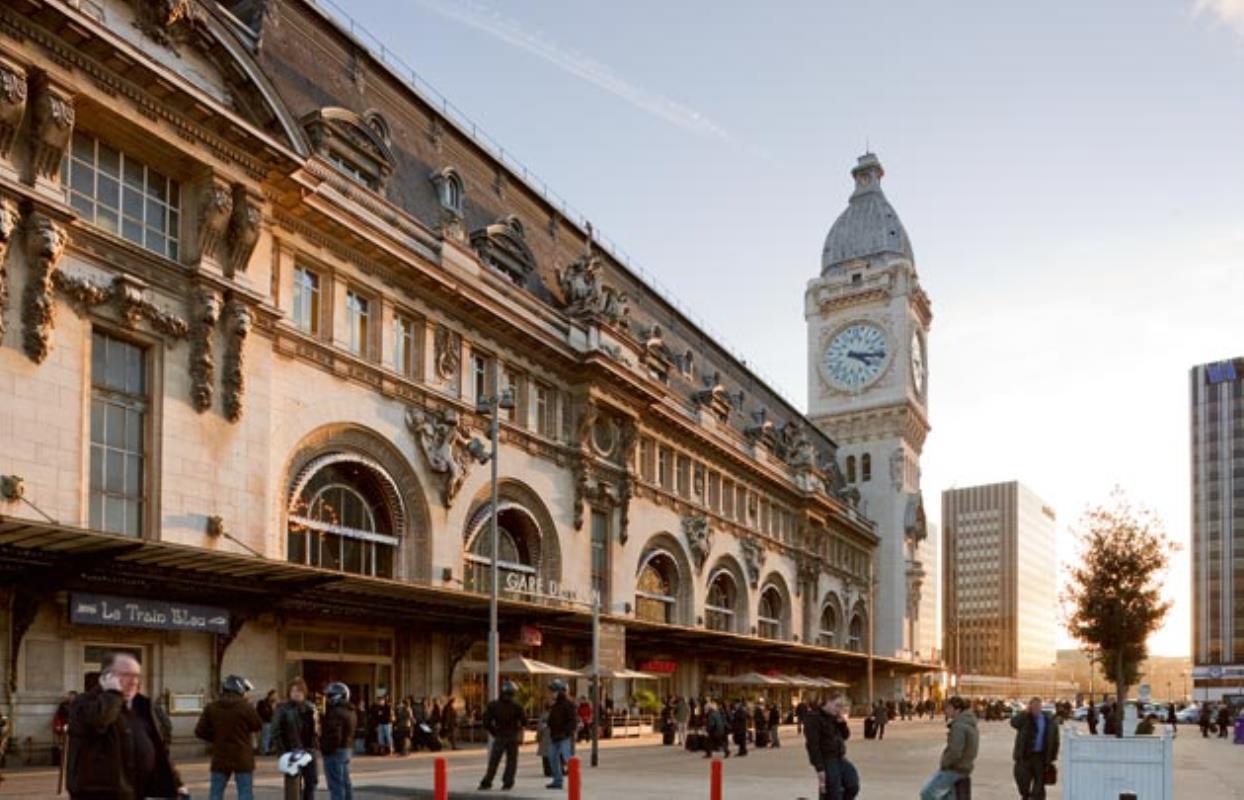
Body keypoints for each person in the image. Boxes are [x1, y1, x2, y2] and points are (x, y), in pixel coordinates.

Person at [67, 652, 186, 800]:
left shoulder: (142, 706)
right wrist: (112, 693)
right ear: (107, 678)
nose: (133, 682)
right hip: (98, 794)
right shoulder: (85, 703)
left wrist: (176, 783)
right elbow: (99, 720)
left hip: (137, 793)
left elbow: (159, 749)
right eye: (126, 675)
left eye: (137, 676)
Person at [195, 674, 263, 800]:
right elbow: (257, 725)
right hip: (242, 756)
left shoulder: (212, 707)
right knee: (245, 793)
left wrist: (216, 737)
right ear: (240, 690)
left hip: (220, 756)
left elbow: (199, 731)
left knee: (215, 793)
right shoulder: (246, 707)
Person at [919, 696, 977, 800]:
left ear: (957, 709)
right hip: (964, 768)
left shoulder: (959, 726)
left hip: (954, 769)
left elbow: (955, 751)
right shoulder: (969, 724)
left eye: (948, 708)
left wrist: (945, 763)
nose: (946, 711)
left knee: (927, 794)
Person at [804, 693, 858, 800]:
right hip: (827, 759)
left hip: (840, 757)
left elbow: (845, 736)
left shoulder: (834, 717)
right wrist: (820, 768)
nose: (839, 709)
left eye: (841, 706)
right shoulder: (814, 718)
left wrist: (842, 723)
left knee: (853, 785)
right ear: (827, 702)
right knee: (833, 792)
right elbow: (812, 745)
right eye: (837, 705)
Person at [273, 677, 319, 800]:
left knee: (311, 783)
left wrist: (315, 747)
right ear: (289, 692)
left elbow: (316, 731)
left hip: (309, 751)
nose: (296, 693)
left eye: (299, 691)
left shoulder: (310, 708)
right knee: (293, 786)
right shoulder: (282, 709)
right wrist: (282, 753)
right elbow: (276, 731)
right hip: (291, 752)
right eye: (293, 691)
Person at [478, 680, 526, 791]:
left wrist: (494, 732)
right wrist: (518, 728)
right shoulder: (517, 707)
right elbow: (524, 721)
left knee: (494, 760)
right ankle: (507, 782)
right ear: (514, 693)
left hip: (500, 734)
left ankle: (487, 781)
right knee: (511, 761)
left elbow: (486, 722)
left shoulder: (493, 705)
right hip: (512, 735)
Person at [1011, 696, 1059, 800]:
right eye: (1033, 706)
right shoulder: (1025, 718)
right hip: (1025, 756)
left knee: (1039, 784)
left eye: (1038, 706)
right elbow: (1013, 723)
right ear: (1030, 707)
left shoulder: (1048, 721)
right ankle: (1026, 796)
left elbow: (1055, 740)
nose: (1036, 708)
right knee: (1023, 781)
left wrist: (1052, 757)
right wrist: (1025, 712)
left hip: (1040, 757)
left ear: (1041, 707)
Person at [321, 682, 357, 800]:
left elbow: (334, 735)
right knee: (345, 782)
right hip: (346, 749)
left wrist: (325, 749)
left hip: (335, 751)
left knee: (336, 785)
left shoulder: (335, 712)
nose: (327, 698)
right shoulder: (350, 710)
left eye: (330, 695)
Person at [545, 679, 577, 790]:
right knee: (552, 757)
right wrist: (548, 725)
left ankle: (574, 781)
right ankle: (557, 780)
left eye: (554, 690)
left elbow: (573, 721)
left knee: (568, 757)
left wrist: (566, 732)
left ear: (561, 691)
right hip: (555, 736)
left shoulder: (569, 704)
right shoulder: (554, 705)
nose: (552, 693)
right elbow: (552, 720)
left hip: (565, 736)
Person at [257, 689, 277, 756]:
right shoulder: (262, 703)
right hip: (266, 722)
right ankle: (265, 751)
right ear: (270, 695)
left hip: (273, 722)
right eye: (274, 695)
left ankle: (271, 749)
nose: (275, 697)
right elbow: (262, 713)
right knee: (266, 735)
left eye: (276, 696)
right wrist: (271, 709)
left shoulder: (276, 703)